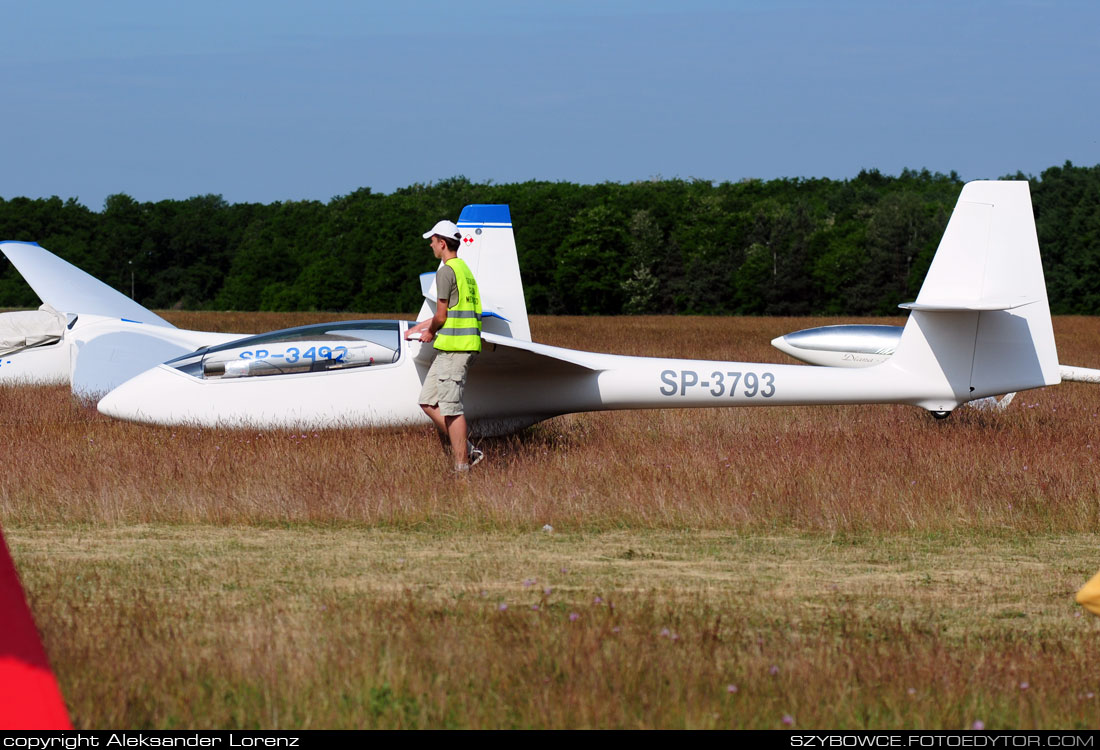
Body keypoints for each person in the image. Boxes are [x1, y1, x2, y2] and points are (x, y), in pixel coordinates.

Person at [405, 219, 484, 473]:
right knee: (428, 401)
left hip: (456, 348)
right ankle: (469, 450)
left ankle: (462, 467)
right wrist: (419, 327)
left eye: (433, 241)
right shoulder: (464, 271)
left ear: (442, 243)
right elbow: (451, 310)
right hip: (455, 347)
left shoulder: (445, 271)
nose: (430, 245)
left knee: (451, 409)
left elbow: (441, 316)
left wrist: (429, 331)